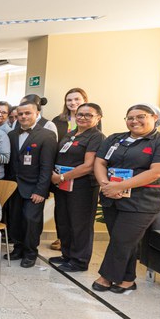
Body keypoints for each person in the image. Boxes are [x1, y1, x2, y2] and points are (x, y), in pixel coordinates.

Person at [92, 104, 160, 293]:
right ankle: (127, 280)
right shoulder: (115, 139)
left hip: (143, 201)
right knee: (124, 239)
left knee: (122, 239)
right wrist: (106, 184)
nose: (134, 121)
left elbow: (156, 172)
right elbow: (100, 161)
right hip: (112, 197)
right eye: (130, 117)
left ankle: (106, 277)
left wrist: (120, 186)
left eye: (140, 117)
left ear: (154, 117)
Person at [47, 103, 105, 273]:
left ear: (98, 118)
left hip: (82, 187)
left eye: (88, 115)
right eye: (80, 114)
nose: (82, 117)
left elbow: (89, 166)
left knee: (80, 224)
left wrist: (62, 176)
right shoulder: (71, 135)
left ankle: (79, 261)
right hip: (63, 185)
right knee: (64, 221)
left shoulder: (96, 137)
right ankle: (67, 254)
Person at [5, 101, 59, 268]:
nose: (23, 117)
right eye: (20, 114)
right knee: (15, 220)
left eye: (27, 113)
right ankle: (18, 248)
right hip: (14, 186)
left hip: (34, 188)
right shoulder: (12, 135)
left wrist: (41, 191)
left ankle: (30, 252)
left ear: (37, 114)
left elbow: (47, 167)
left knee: (31, 220)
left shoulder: (47, 135)